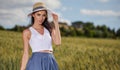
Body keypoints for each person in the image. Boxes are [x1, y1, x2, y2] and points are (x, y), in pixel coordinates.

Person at [20, 2, 61, 70]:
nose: (41, 18)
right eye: (38, 14)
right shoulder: (27, 32)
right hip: (36, 61)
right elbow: (25, 54)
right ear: (33, 15)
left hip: (50, 60)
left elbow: (58, 42)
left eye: (44, 15)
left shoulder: (49, 29)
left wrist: (56, 22)